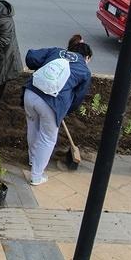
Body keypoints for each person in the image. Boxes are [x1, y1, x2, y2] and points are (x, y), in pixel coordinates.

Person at [23, 38, 93, 186]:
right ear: (87, 57)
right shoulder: (84, 70)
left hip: (30, 93)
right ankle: (36, 176)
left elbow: (32, 56)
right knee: (47, 138)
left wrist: (39, 66)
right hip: (52, 104)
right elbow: (78, 97)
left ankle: (32, 159)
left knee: (33, 127)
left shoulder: (57, 51)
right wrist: (64, 111)